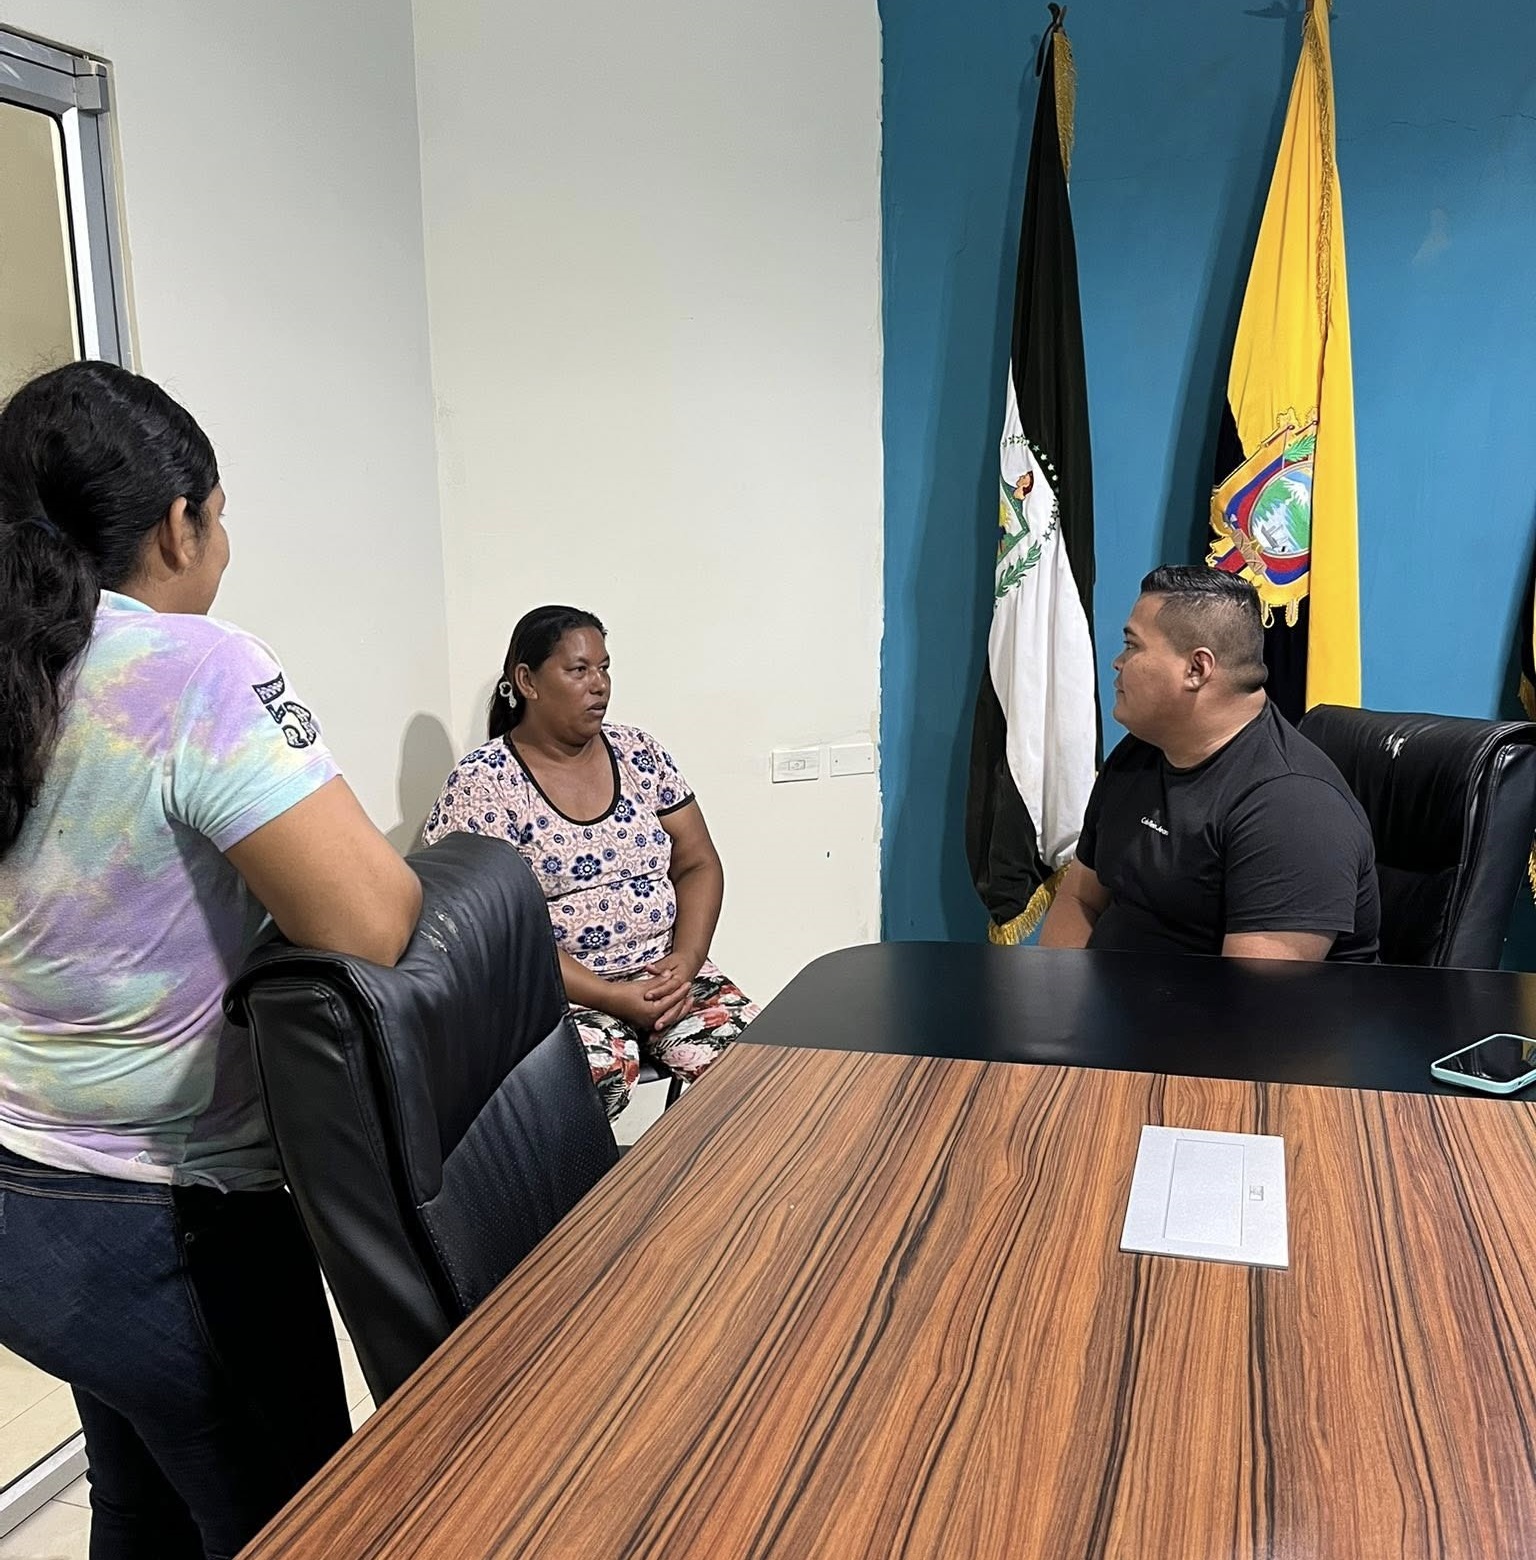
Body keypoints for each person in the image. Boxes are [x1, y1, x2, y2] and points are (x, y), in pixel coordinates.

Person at [0, 362, 423, 1559]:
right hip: (169, 1222)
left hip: (26, 1196)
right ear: (179, 524)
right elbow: (371, 920)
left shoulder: (23, 666)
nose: (223, 547)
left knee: (141, 1505)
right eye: (220, 517)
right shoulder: (197, 667)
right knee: (293, 1525)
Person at [424, 606, 756, 1117]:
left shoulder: (638, 752)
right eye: (578, 670)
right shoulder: (483, 784)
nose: (599, 685)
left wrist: (687, 962)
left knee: (763, 1076)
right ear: (527, 681)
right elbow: (492, 933)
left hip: (666, 975)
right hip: (558, 997)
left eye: (604, 668)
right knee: (573, 1103)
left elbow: (698, 863)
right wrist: (610, 996)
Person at [1040, 565, 1379, 962]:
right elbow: (1081, 898)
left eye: (1132, 646)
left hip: (1209, 1004)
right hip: (1107, 995)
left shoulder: (1292, 808)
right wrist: (1056, 990)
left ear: (1196, 669)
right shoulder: (1140, 751)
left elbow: (1252, 996)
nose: (1118, 662)